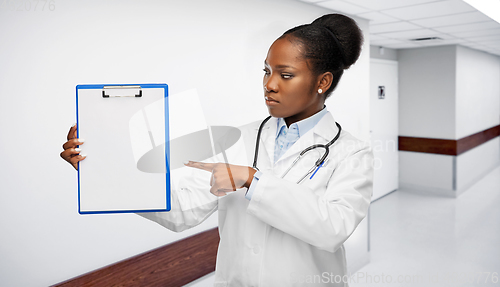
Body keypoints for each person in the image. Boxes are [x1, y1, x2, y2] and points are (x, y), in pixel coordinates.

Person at [61, 13, 373, 287]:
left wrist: (253, 181)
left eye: (285, 74)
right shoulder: (239, 138)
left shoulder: (351, 152)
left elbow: (333, 228)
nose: (270, 84)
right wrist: (104, 170)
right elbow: (183, 211)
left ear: (323, 82)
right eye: (266, 71)